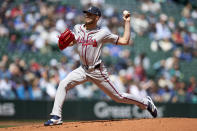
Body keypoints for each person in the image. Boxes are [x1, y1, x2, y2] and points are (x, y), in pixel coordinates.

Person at [44, 6, 157, 126]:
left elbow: (125, 41)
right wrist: (68, 43)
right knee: (63, 84)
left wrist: (127, 22)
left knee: (118, 97)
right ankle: (56, 116)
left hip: (97, 70)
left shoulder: (102, 33)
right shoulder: (78, 28)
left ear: (97, 17)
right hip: (82, 69)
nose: (87, 15)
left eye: (90, 14)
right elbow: (73, 42)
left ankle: (146, 103)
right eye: (86, 13)